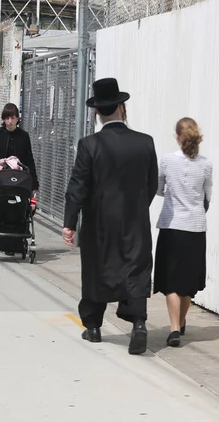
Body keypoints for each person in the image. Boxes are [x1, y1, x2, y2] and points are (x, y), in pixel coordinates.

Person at [62, 78, 158, 356]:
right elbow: (151, 185)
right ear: (121, 107)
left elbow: (77, 187)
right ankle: (138, 323)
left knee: (96, 270)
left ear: (97, 112)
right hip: (135, 220)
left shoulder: (89, 145)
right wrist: (138, 206)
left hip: (99, 222)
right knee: (136, 269)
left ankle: (93, 326)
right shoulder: (145, 143)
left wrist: (70, 223)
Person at [154, 117, 213, 347]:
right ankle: (182, 320)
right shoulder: (206, 164)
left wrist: (173, 195)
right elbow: (208, 195)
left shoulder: (167, 161)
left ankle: (174, 328)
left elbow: (158, 189)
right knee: (188, 281)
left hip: (171, 226)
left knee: (171, 280)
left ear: (177, 137)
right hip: (196, 228)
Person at [0, 103, 39, 191]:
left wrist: (34, 183)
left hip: (19, 178)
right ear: (4, 119)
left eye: (12, 118)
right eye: (7, 118)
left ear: (17, 118)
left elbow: (29, 160)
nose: (10, 121)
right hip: (1, 177)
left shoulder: (24, 136)